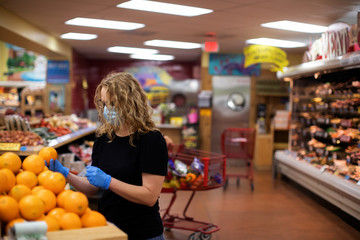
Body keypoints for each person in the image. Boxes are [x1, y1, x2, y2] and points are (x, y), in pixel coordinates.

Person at [48, 72, 169, 240]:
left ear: (131, 102)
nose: (107, 109)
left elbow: (149, 196)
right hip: (108, 229)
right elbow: (92, 188)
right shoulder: (105, 137)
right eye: (104, 103)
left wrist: (108, 181)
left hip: (142, 232)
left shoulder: (151, 140)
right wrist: (66, 175)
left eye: (113, 103)